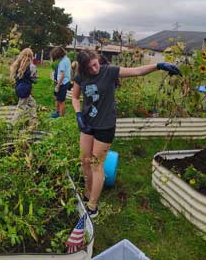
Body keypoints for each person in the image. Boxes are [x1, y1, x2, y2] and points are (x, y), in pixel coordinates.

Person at [72, 50, 181, 218]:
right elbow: (75, 97)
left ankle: (93, 206)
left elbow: (136, 71)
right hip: (87, 124)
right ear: (83, 69)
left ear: (97, 60)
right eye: (90, 68)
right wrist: (78, 115)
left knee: (96, 165)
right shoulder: (81, 76)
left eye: (95, 64)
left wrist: (158, 65)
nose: (95, 69)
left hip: (105, 126)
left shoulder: (109, 71)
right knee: (84, 161)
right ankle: (87, 194)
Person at [10, 48, 37, 123]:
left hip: (19, 88)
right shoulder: (31, 66)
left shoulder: (16, 64)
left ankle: (33, 121)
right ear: (31, 56)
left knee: (32, 104)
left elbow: (16, 77)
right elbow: (34, 79)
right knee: (21, 107)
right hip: (26, 89)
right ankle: (12, 123)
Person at [50, 47, 71, 118]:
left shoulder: (62, 62)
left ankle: (61, 116)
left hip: (62, 83)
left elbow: (62, 74)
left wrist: (58, 85)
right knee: (58, 98)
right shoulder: (67, 59)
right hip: (66, 81)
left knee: (61, 101)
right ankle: (57, 113)